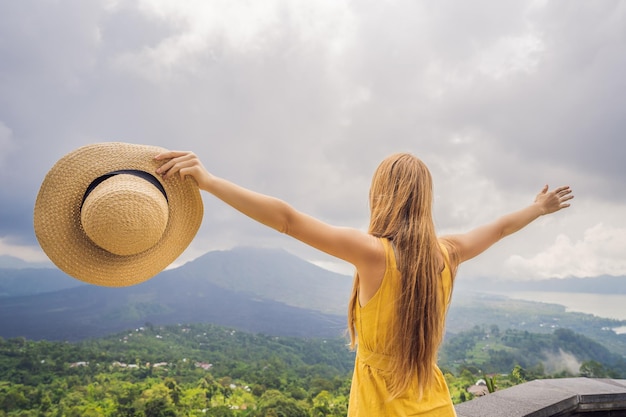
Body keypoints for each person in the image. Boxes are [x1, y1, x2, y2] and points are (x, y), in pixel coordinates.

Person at [154, 150, 573, 416]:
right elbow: (499, 229)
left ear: (381, 196)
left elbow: (287, 220)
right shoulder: (447, 253)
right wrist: (538, 207)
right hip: (436, 406)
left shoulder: (374, 253)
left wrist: (209, 182)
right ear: (425, 200)